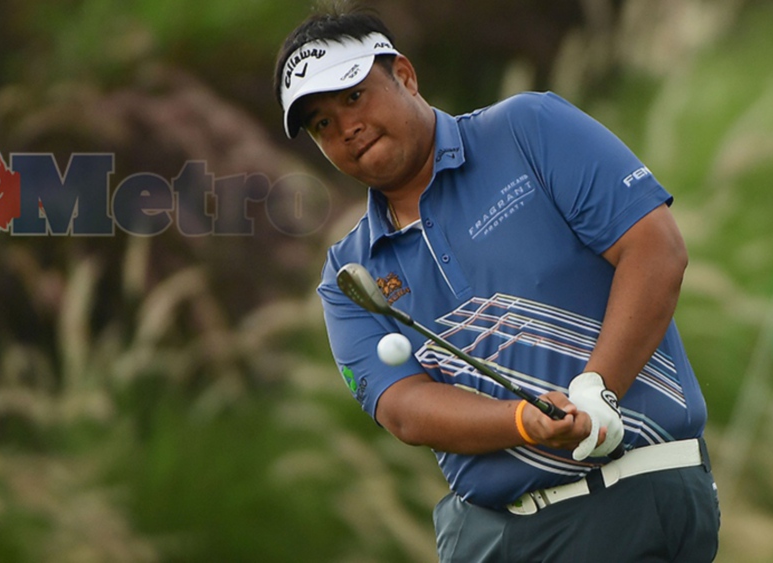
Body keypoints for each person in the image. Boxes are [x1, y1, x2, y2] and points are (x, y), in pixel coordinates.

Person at [273, 5, 720, 562]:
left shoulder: (527, 129)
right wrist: (523, 422)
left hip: (630, 495)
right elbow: (404, 407)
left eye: (353, 96)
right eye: (322, 124)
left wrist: (597, 388)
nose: (346, 127)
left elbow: (655, 249)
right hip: (488, 536)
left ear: (405, 75)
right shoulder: (351, 273)